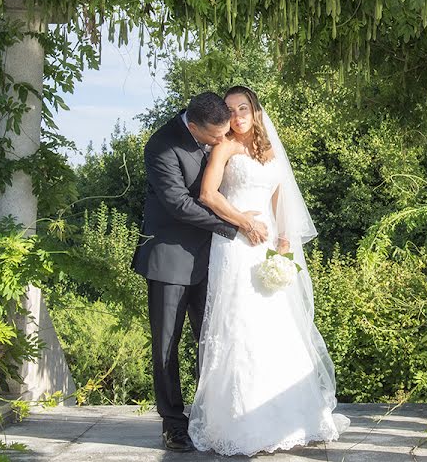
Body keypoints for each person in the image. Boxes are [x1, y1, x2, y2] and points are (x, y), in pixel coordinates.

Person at [187, 85, 348, 456]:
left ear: (255, 111)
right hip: (235, 244)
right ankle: (239, 421)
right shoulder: (224, 148)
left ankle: (289, 413)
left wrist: (285, 240)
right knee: (239, 323)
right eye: (230, 110)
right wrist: (244, 222)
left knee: (277, 325)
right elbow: (208, 195)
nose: (237, 116)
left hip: (268, 246)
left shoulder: (272, 151)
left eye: (243, 108)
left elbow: (280, 198)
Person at [132, 92, 269, 452]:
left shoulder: (215, 126)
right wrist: (234, 227)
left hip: (216, 259)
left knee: (213, 341)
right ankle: (173, 423)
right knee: (167, 345)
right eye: (214, 137)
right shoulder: (161, 147)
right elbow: (178, 205)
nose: (221, 140)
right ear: (194, 127)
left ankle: (210, 414)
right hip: (171, 259)